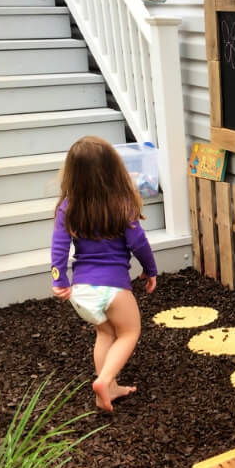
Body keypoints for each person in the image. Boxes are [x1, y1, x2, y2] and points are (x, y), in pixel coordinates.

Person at [50, 136, 158, 412]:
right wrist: (150, 269)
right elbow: (139, 244)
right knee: (130, 332)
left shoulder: (68, 208)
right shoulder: (121, 205)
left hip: (82, 291)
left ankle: (109, 389)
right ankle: (105, 380)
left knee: (105, 334)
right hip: (113, 288)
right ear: (114, 170)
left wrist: (59, 280)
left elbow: (59, 247)